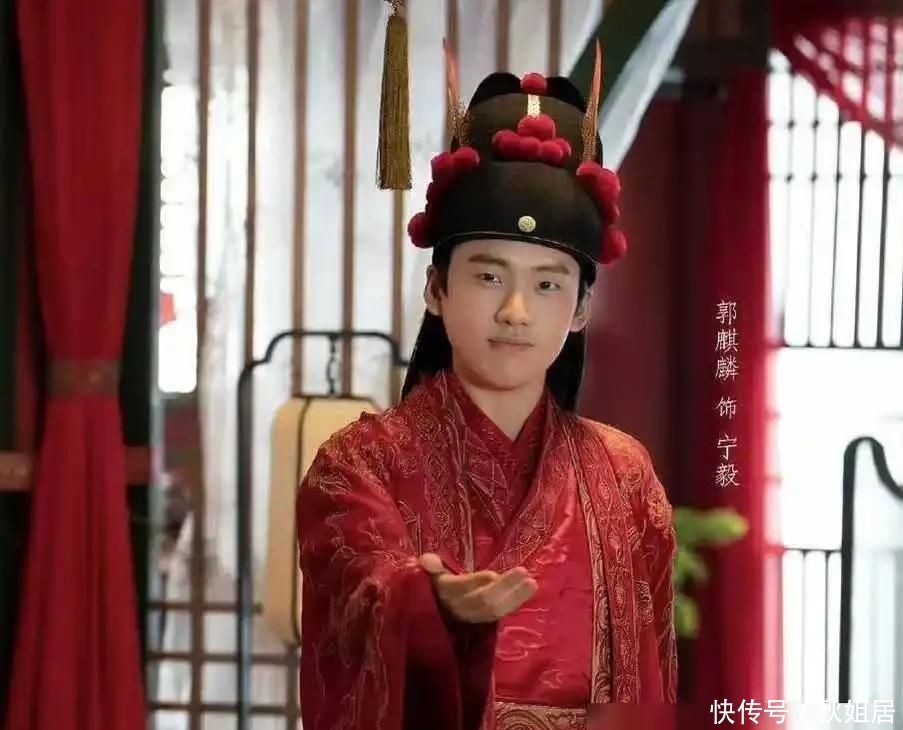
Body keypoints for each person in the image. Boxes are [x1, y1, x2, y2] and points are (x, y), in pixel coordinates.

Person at [296, 41, 677, 730]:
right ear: (436, 289)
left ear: (581, 309)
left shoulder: (624, 476)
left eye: (548, 284)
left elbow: (644, 693)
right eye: (488, 275)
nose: (516, 311)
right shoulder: (358, 465)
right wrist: (429, 608)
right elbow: (358, 596)